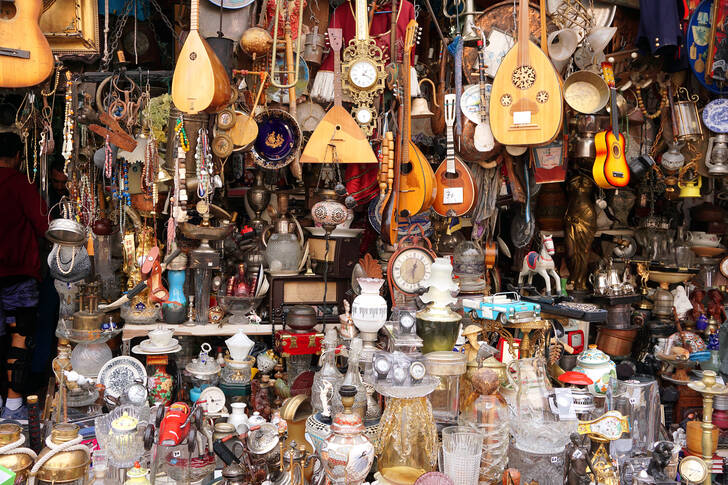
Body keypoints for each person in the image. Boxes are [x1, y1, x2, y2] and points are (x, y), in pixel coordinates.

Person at [0, 131, 48, 421]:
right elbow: (44, 226)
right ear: (19, 156)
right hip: (19, 276)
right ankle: (14, 405)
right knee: (20, 337)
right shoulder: (21, 184)